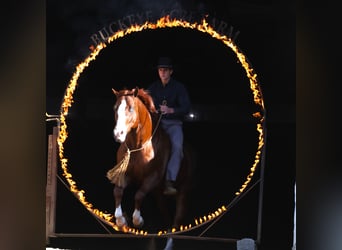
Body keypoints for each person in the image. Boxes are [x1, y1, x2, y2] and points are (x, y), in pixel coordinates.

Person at [147, 56, 191, 195]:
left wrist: (171, 110)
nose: (163, 73)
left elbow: (186, 108)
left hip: (173, 124)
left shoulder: (179, 87)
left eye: (165, 70)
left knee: (177, 147)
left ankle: (170, 180)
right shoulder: (153, 87)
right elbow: (145, 101)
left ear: (171, 72)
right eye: (160, 70)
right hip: (157, 125)